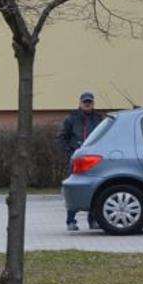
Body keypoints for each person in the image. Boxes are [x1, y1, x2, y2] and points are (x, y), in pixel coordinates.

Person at [59, 92, 106, 231]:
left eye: (90, 102)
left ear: (93, 103)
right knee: (75, 189)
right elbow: (61, 137)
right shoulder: (71, 119)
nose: (87, 104)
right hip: (77, 160)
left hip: (94, 159)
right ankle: (70, 221)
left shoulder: (99, 119)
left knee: (95, 188)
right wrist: (70, 153)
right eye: (85, 102)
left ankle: (93, 220)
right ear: (80, 103)